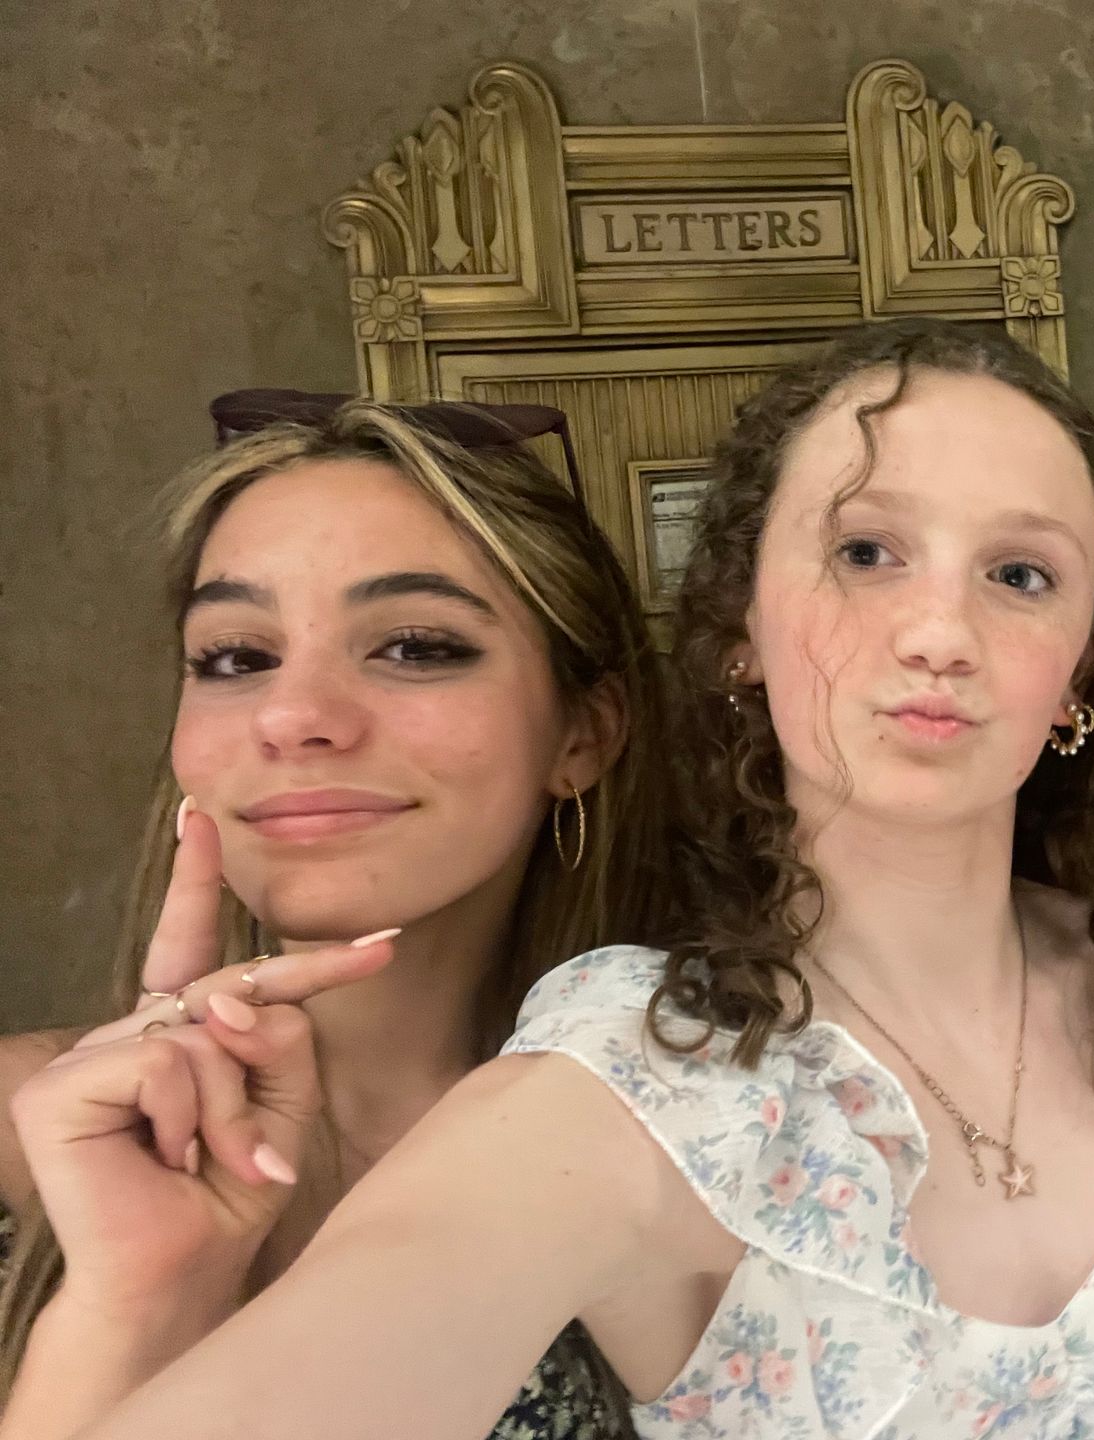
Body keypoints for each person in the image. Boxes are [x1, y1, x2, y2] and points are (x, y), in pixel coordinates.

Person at [68, 319, 1094, 1439]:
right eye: (866, 552)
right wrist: (130, 1296)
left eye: (1019, 573)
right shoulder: (634, 1085)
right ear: (739, 628)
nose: (940, 630)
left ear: (1077, 670)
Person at [0, 392, 672, 1439]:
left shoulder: (693, 1152)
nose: (293, 716)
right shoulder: (23, 1127)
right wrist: (131, 1312)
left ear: (582, 733)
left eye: (413, 645)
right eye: (236, 657)